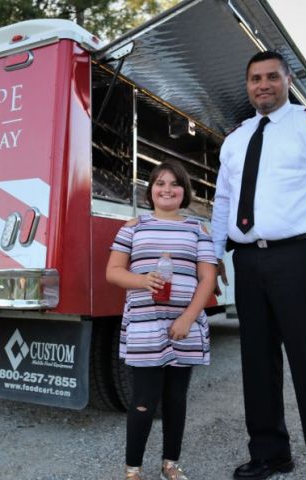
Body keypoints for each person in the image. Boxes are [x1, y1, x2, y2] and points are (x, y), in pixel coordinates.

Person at [210, 50, 306, 480]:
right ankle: (270, 454)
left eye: (272, 77)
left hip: (301, 257)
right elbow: (224, 201)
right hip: (248, 259)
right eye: (255, 78)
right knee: (257, 364)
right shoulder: (236, 137)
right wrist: (213, 252)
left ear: (287, 79)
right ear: (247, 85)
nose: (263, 85)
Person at [107, 161, 217, 480]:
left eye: (175, 184)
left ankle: (171, 464)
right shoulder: (133, 226)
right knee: (143, 399)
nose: (167, 189)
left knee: (175, 399)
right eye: (160, 183)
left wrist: (187, 318)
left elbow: (207, 279)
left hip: (185, 325)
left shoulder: (198, 229)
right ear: (150, 189)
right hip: (145, 325)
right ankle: (133, 470)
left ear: (185, 191)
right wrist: (142, 281)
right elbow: (113, 272)